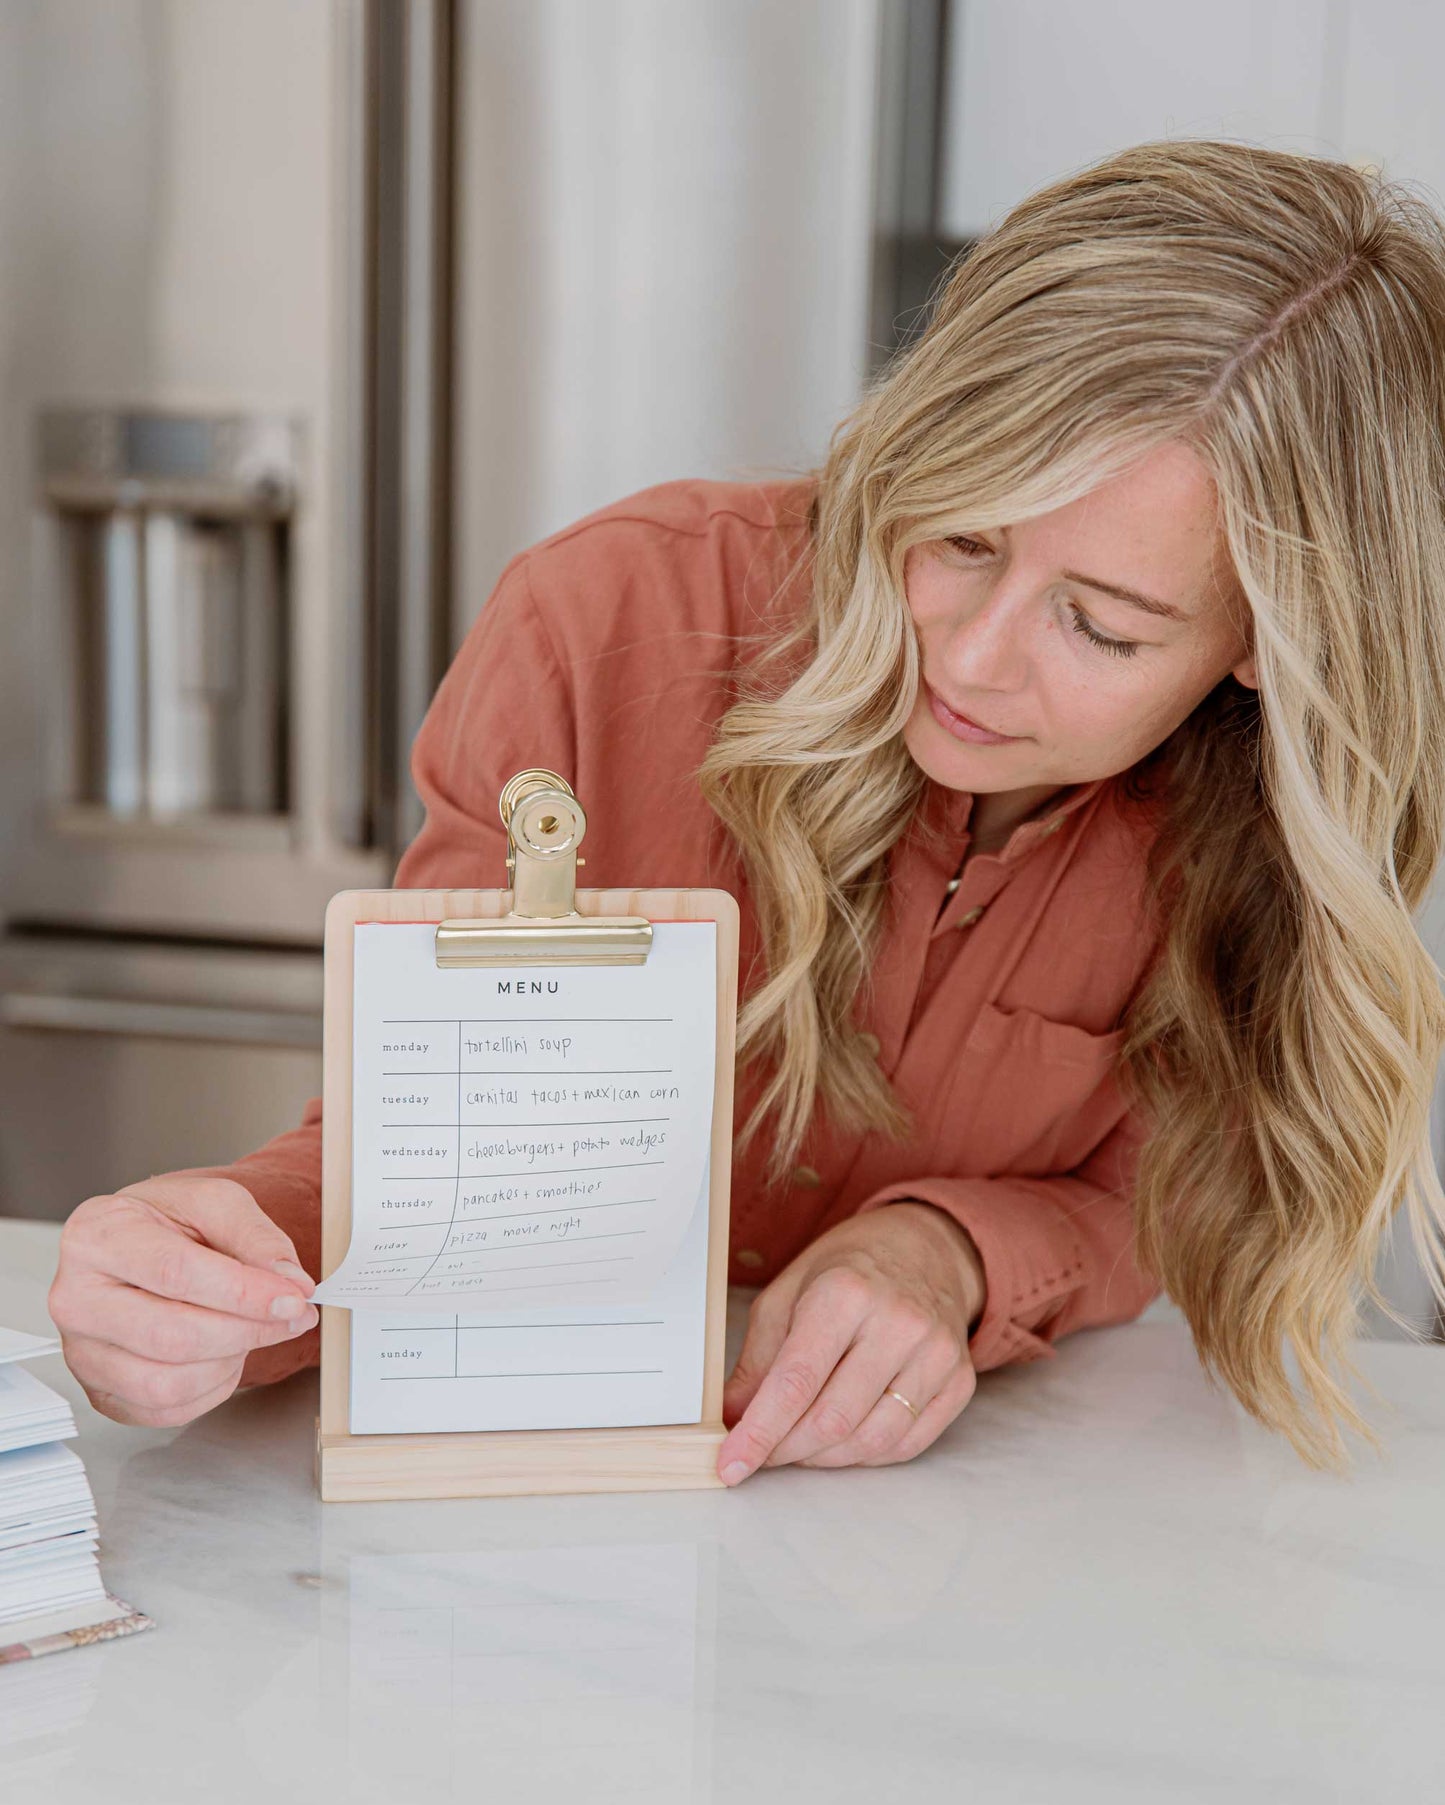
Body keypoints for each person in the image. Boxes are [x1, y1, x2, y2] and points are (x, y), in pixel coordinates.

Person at [47, 140, 1445, 1474]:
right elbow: (437, 1142)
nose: (963, 658)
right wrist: (210, 1275)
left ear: (1268, 646)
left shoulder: (1266, 815)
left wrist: (943, 1254)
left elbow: (1152, 1196)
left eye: (1100, 626)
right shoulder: (608, 621)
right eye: (958, 533)